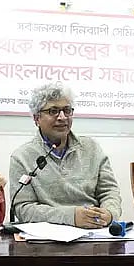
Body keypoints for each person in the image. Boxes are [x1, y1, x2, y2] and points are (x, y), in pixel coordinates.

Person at [9, 82, 121, 228]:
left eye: (67, 110)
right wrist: (71, 216)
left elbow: (109, 191)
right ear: (36, 119)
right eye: (53, 111)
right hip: (47, 240)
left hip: (95, 232)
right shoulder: (22, 157)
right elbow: (23, 209)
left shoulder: (91, 148)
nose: (62, 117)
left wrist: (109, 213)